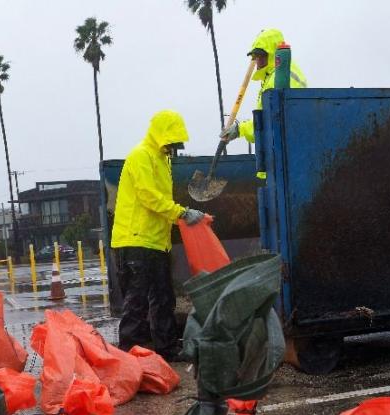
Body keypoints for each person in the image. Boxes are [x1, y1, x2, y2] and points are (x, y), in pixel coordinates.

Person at [111, 110, 205, 361]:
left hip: (155, 242)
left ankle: (167, 349)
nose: (173, 148)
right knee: (137, 302)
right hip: (134, 241)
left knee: (164, 298)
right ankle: (131, 356)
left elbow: (160, 200)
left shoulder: (163, 160)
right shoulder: (141, 156)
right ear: (161, 136)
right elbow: (149, 196)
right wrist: (182, 213)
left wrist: (179, 216)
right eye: (171, 142)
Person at [221, 28, 308, 170]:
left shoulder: (279, 77)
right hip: (283, 154)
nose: (258, 61)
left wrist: (240, 129)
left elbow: (269, 121)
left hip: (287, 156)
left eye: (261, 55)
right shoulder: (272, 76)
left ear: (273, 54)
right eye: (256, 56)